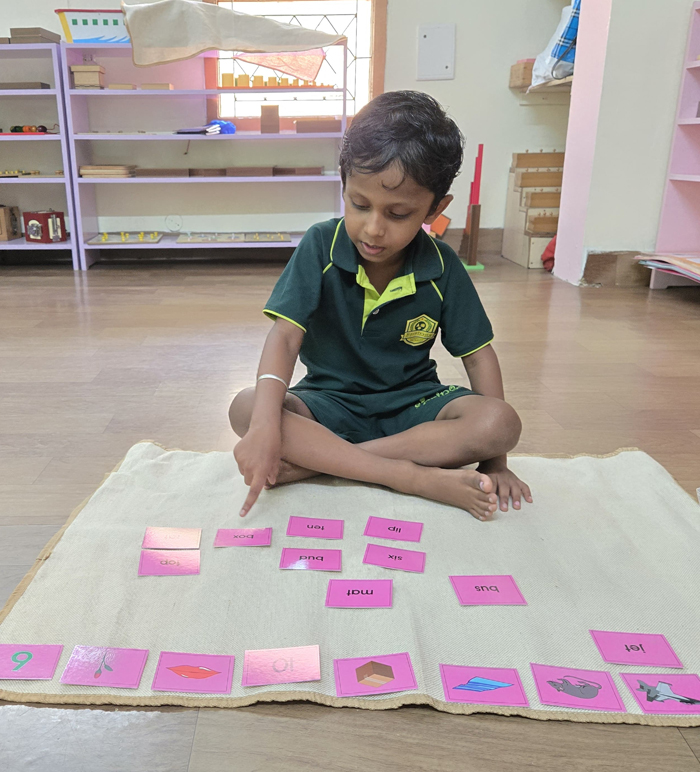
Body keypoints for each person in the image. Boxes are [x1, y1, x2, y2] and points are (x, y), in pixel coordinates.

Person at [229, 90, 532, 520]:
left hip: (414, 406)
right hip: (326, 403)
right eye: (359, 204)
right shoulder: (320, 245)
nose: (373, 228)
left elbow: (479, 356)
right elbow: (285, 335)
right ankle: (407, 476)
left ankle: (324, 463)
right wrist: (263, 427)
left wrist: (495, 462)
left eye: (398, 214)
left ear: (435, 208)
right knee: (246, 406)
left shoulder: (443, 266)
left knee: (501, 423)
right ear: (344, 185)